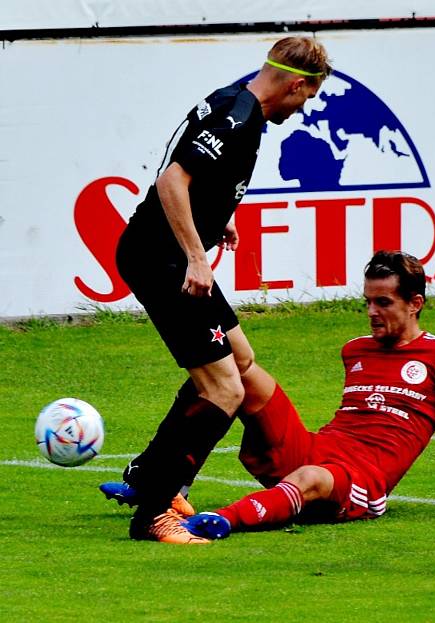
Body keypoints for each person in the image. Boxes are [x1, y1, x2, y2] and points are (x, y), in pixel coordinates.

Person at [104, 37, 333, 543]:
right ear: (295, 83)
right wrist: (194, 254)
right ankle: (155, 514)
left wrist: (218, 221)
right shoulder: (239, 114)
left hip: (169, 253)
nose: (301, 111)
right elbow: (171, 182)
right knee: (224, 388)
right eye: (306, 99)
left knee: (241, 362)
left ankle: (149, 478)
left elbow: (201, 178)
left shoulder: (239, 99)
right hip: (161, 259)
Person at [175, 250, 435, 540]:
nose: (372, 312)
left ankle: (217, 521)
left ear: (415, 303)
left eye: (383, 302)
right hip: (315, 449)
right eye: (368, 302)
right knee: (236, 369)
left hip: (361, 479)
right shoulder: (355, 350)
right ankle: (168, 483)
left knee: (310, 478)